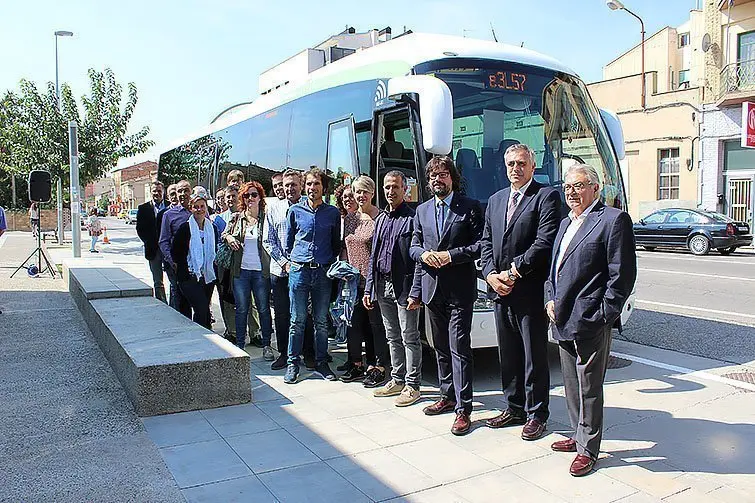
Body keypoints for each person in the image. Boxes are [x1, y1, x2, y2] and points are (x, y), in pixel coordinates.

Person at [545, 164, 637, 477]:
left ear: (594, 189)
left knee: (589, 386)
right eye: (568, 187)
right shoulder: (565, 222)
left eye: (579, 186)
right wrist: (549, 298)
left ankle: (589, 448)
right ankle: (577, 434)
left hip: (590, 319)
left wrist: (603, 315)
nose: (571, 192)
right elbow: (554, 269)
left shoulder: (612, 220)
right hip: (562, 316)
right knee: (570, 383)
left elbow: (621, 275)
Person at [480, 143, 561, 440]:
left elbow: (544, 242)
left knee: (534, 355)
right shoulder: (496, 199)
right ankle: (513, 407)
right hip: (500, 290)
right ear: (505, 167)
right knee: (509, 354)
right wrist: (490, 275)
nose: (516, 168)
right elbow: (486, 242)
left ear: (532, 165)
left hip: (528, 290)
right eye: (511, 164)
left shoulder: (546, 196)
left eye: (522, 163)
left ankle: (537, 413)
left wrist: (514, 271)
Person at [409, 155, 483, 436]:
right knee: (439, 346)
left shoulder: (470, 207)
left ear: (452, 178)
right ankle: (447, 395)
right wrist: (425, 254)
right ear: (428, 182)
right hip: (432, 289)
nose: (437, 180)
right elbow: (414, 246)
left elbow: (479, 245)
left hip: (460, 289)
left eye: (442, 175)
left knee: (459, 348)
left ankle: (464, 409)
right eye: (432, 177)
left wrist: (450, 256)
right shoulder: (422, 210)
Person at [364, 170, 423, 406]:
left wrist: (416, 291)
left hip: (404, 287)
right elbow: (373, 257)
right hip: (382, 284)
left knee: (410, 336)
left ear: (405, 189)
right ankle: (397, 379)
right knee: (392, 336)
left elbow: (418, 259)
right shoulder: (381, 219)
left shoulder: (413, 218)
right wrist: (369, 288)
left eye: (395, 187)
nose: (391, 191)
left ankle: (413, 385)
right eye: (387, 187)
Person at [284, 167, 341, 384]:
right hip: (299, 270)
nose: (312, 188)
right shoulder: (295, 211)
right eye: (308, 184)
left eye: (316, 184)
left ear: (323, 188)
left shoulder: (332, 213)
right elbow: (289, 242)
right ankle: (292, 363)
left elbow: (336, 243)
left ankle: (321, 363)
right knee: (296, 320)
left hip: (323, 272)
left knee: (321, 321)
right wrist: (296, 261)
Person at [263, 169, 317, 371]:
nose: (290, 188)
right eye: (286, 185)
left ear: (301, 185)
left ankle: (308, 353)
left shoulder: (309, 207)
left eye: (294, 184)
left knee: (306, 314)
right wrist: (285, 262)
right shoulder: (274, 209)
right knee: (283, 315)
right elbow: (267, 240)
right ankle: (285, 354)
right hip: (281, 271)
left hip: (304, 271)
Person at [339, 176, 389, 387]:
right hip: (351, 281)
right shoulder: (350, 219)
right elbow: (345, 247)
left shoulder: (381, 218)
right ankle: (356, 364)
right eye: (357, 192)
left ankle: (378, 366)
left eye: (364, 192)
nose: (361, 196)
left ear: (372, 193)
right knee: (353, 323)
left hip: (373, 281)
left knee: (375, 325)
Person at [223, 181, 275, 359]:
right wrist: (230, 237)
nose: (250, 198)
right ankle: (239, 345)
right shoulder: (237, 218)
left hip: (261, 272)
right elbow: (224, 234)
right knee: (242, 309)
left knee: (263, 309)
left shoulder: (267, 218)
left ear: (260, 197)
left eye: (254, 195)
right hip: (241, 271)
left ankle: (267, 344)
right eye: (246, 195)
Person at [171, 187, 220, 329]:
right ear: (191, 209)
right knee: (201, 307)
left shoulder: (212, 228)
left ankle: (206, 334)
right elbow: (176, 253)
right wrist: (185, 271)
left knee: (204, 310)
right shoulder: (185, 229)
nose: (199, 210)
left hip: (207, 276)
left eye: (202, 207)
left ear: (206, 208)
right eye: (196, 207)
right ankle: (201, 336)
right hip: (190, 276)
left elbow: (214, 251)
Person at [159, 180, 193, 317]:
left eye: (186, 190)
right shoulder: (169, 215)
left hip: (198, 264)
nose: (183, 194)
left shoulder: (199, 210)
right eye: (179, 191)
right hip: (179, 265)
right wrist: (172, 261)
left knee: (199, 301)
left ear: (191, 192)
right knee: (181, 300)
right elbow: (163, 241)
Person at [136, 181, 168, 302]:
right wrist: (148, 242)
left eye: (159, 191)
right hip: (153, 250)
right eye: (154, 191)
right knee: (158, 280)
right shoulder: (143, 208)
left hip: (168, 249)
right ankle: (162, 303)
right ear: (151, 192)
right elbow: (140, 229)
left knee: (173, 279)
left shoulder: (170, 207)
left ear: (163, 192)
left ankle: (174, 305)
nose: (157, 193)